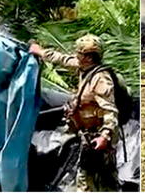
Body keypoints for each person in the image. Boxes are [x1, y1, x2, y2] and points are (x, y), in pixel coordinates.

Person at [29, 34, 119, 191]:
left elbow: (110, 110)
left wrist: (104, 136)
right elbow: (63, 59)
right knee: (103, 179)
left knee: (91, 179)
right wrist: (40, 52)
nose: (76, 56)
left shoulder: (101, 79)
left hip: (97, 137)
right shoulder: (83, 67)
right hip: (88, 135)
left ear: (89, 57)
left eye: (79, 53)